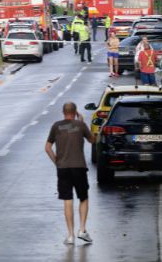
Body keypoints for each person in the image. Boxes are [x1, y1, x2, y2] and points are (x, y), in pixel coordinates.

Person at [45, 102, 95, 245]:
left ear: (63, 112)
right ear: (75, 112)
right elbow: (93, 140)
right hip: (79, 167)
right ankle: (82, 230)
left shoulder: (56, 126)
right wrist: (83, 122)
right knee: (83, 198)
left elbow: (47, 148)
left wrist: (57, 163)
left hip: (63, 168)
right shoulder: (80, 125)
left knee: (67, 200)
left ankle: (70, 236)